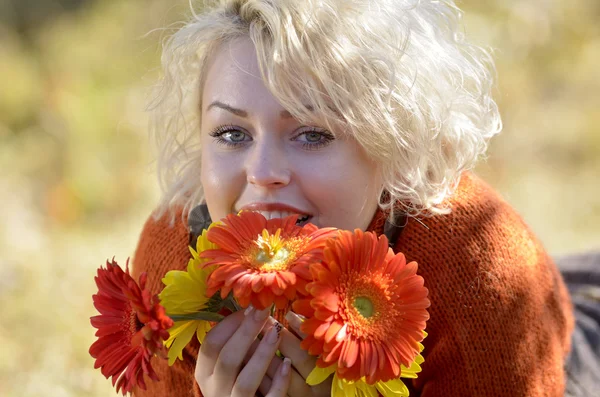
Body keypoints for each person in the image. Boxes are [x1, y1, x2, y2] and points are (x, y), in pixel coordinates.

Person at [130, 0, 577, 396]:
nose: (263, 173)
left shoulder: (480, 272)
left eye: (312, 133)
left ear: (392, 144)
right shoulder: (171, 264)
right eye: (231, 133)